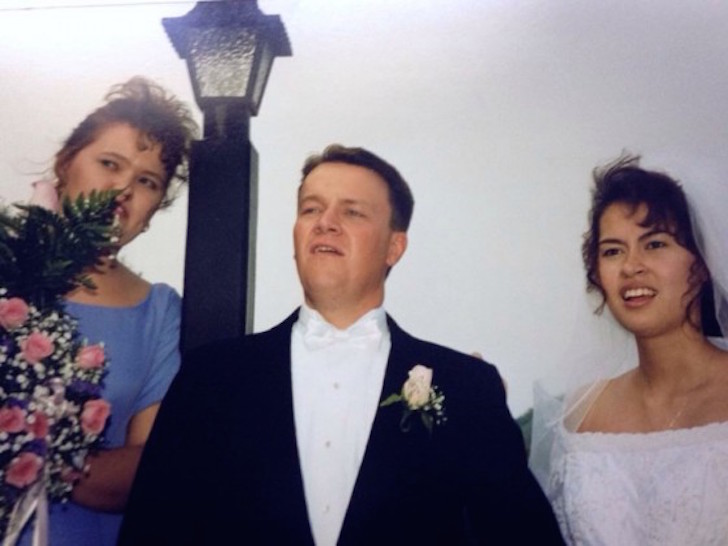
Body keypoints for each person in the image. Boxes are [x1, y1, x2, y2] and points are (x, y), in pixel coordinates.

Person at [118, 144, 564, 545]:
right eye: (311, 209)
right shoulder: (210, 378)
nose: (325, 223)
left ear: (394, 247)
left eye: (352, 212)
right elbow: (153, 532)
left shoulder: (468, 388)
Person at [17, 77, 197, 546]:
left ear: (153, 210)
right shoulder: (7, 269)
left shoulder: (159, 312)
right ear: (66, 163)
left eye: (146, 182)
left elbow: (149, 464)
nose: (122, 189)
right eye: (109, 164)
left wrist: (28, 455)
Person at [530, 154, 728, 545]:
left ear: (703, 263)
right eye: (612, 251)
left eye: (655, 244)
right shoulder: (580, 414)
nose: (631, 266)